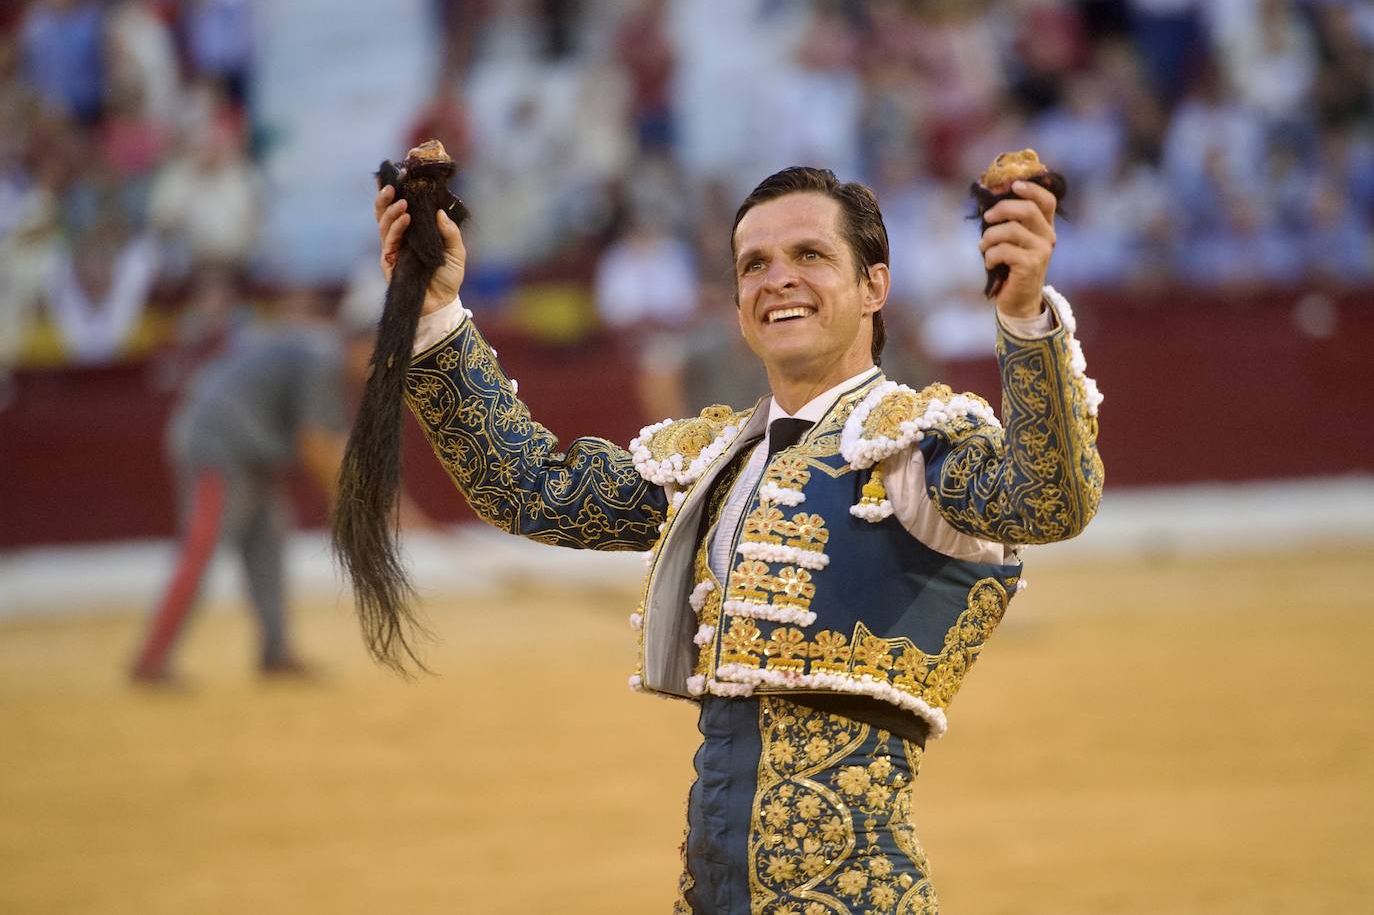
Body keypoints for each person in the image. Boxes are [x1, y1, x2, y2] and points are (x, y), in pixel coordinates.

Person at [372, 162, 1103, 912]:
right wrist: (435, 312)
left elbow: (1049, 501)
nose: (777, 279)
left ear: (874, 288)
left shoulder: (915, 447)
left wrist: (1023, 318)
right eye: (755, 265)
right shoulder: (714, 461)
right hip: (713, 887)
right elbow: (533, 490)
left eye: (811, 256)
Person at [130, 290, 428, 684]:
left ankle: (276, 653)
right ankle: (152, 659)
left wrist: (383, 499)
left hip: (254, 456)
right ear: (362, 345)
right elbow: (315, 448)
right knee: (201, 548)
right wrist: (365, 506)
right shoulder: (324, 362)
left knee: (269, 544)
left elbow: (336, 450)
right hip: (220, 445)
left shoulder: (325, 362)